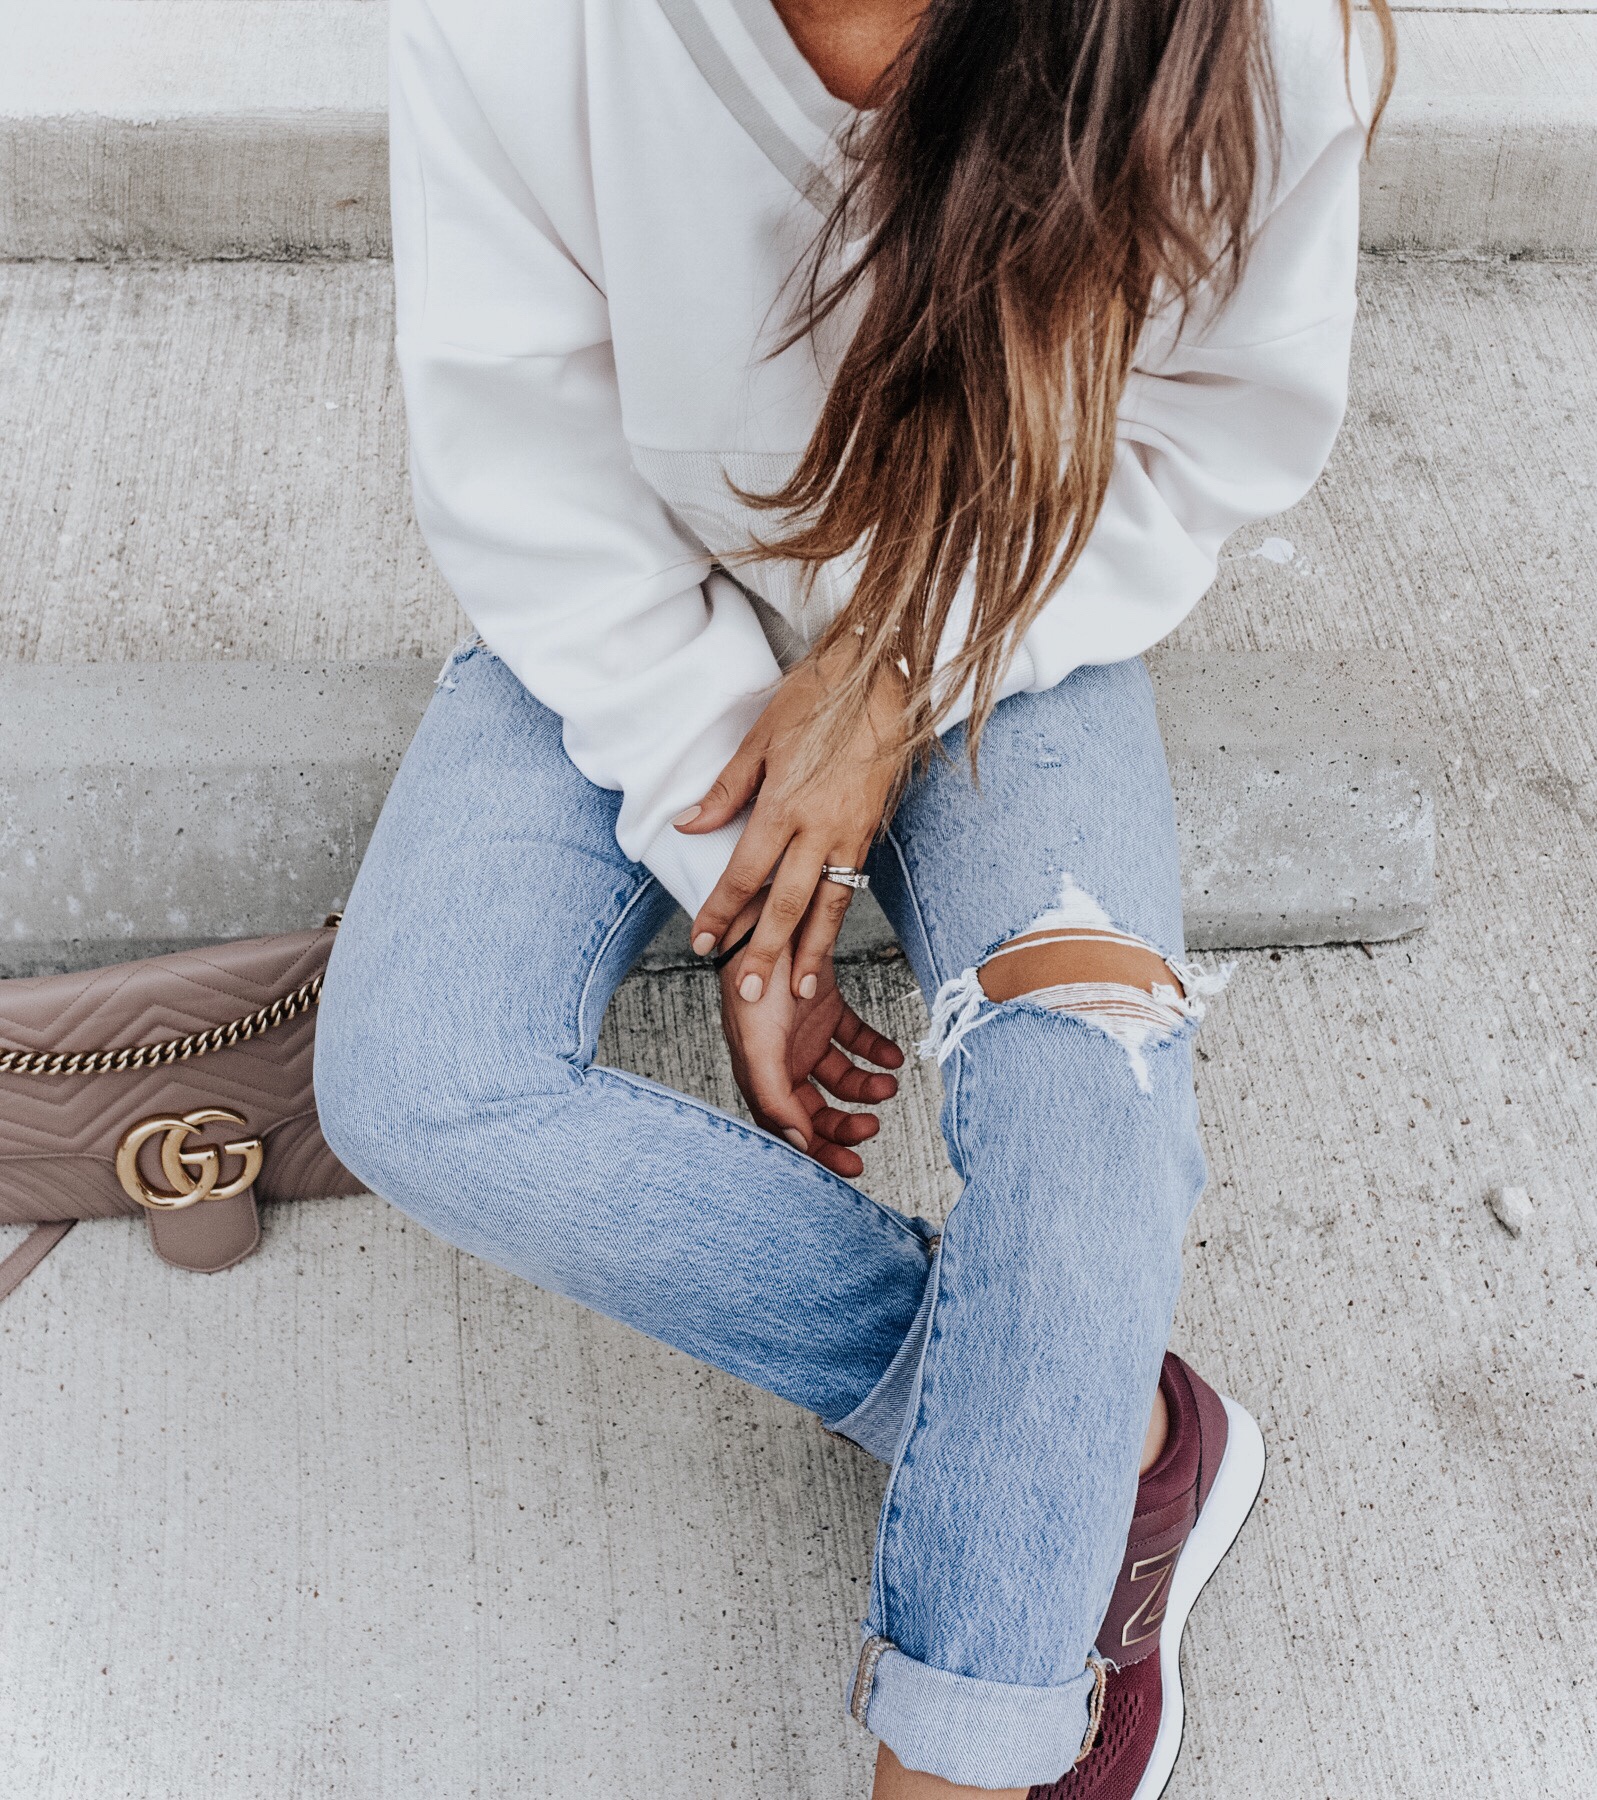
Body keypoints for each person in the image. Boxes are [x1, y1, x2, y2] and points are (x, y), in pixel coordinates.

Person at [315, 1, 1392, 1792]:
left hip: (1009, 600)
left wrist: (896, 674)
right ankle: (1091, 1430)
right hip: (633, 600)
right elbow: (528, 468)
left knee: (1089, 1092)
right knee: (419, 1078)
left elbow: (1199, 438)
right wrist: (753, 879)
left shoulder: (1257, 35)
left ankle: (970, 1731)